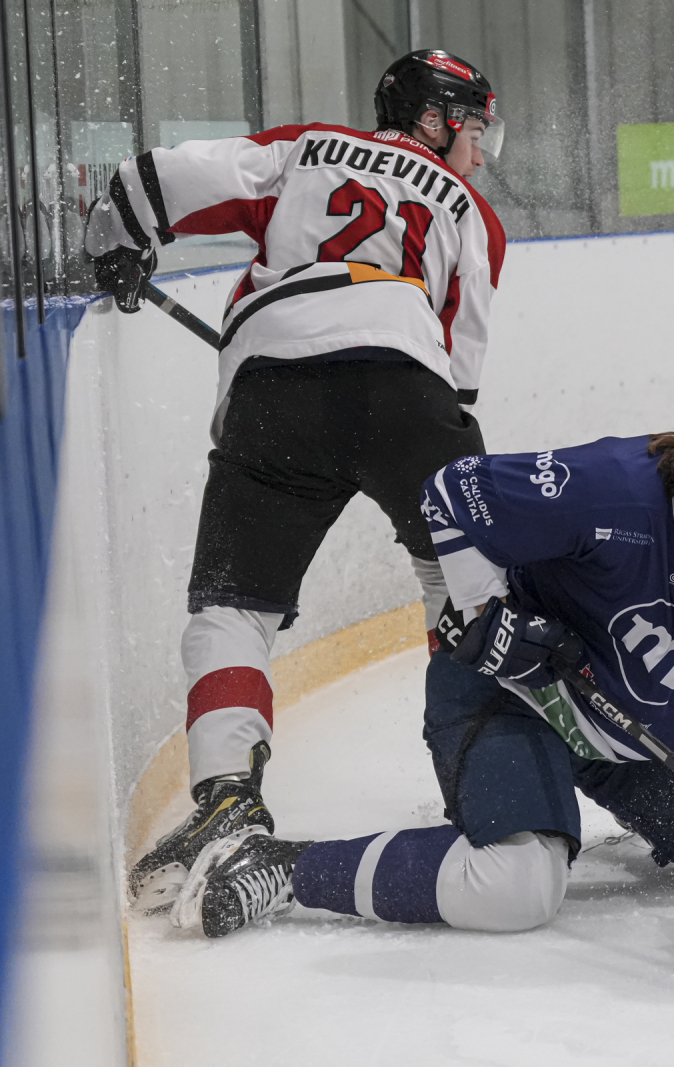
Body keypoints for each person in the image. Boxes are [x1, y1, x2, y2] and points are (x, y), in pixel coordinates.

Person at [166, 364, 674, 941]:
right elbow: (452, 493)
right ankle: (286, 868)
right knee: (519, 886)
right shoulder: (608, 487)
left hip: (627, 725)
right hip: (510, 694)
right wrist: (490, 618)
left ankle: (558, 804)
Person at [85, 49, 509, 913]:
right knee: (463, 583)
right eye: (473, 127)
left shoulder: (308, 147)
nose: (479, 149)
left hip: (275, 391)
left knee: (231, 606)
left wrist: (114, 244)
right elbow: (459, 377)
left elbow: (155, 181)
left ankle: (227, 800)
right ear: (434, 121)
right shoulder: (474, 216)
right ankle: (487, 787)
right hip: (411, 392)